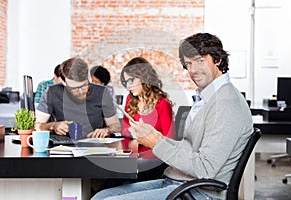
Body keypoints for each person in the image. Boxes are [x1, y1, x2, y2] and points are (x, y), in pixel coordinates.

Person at [91, 33, 253, 200]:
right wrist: (156, 137)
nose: (193, 70)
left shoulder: (226, 103)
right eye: (188, 63)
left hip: (199, 192)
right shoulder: (207, 98)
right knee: (101, 196)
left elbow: (205, 168)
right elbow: (189, 148)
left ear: (217, 60)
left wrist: (156, 142)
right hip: (178, 182)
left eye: (200, 61)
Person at [35, 57, 121, 139]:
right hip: (61, 147)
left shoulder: (102, 92)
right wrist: (53, 126)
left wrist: (106, 130)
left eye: (84, 85)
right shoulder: (51, 92)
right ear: (64, 82)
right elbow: (37, 126)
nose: (80, 91)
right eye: (74, 88)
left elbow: (115, 125)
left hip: (95, 146)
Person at [120, 57, 174, 158]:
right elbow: (124, 130)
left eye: (131, 80)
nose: (128, 86)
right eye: (126, 82)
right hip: (133, 156)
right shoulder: (130, 100)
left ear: (144, 78)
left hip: (154, 159)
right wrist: (133, 132)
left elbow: (169, 142)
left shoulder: (162, 104)